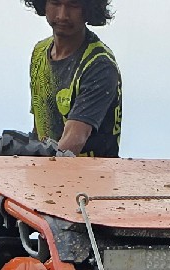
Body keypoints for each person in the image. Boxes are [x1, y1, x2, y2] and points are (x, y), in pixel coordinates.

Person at [26, 0, 122, 157]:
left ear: (89, 8)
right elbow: (40, 127)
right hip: (43, 173)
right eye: (56, 3)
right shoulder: (39, 52)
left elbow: (75, 140)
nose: (62, 15)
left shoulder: (99, 64)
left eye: (73, 5)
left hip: (91, 177)